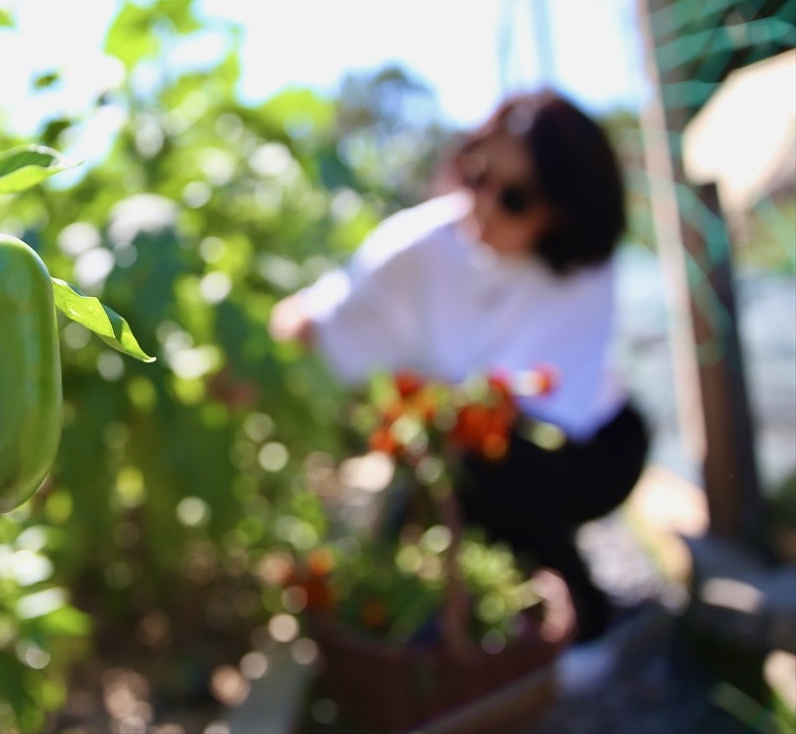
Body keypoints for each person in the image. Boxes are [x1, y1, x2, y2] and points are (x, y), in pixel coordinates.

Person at [269, 89, 649, 642]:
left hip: (595, 449)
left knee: (476, 467)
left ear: (565, 209)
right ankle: (464, 619)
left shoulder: (581, 269)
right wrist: (279, 335)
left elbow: (535, 399)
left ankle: (582, 611)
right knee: (445, 480)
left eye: (516, 198)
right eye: (477, 176)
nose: (486, 204)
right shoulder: (422, 243)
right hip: (486, 445)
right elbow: (331, 311)